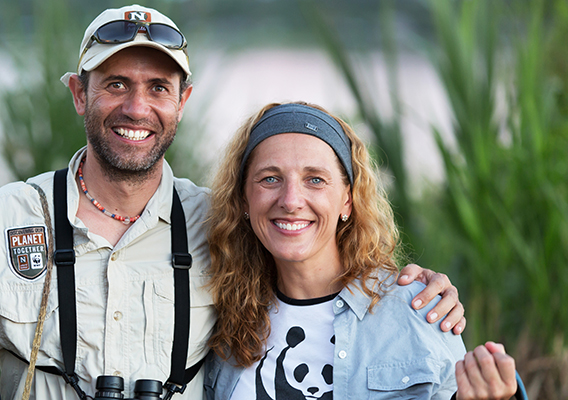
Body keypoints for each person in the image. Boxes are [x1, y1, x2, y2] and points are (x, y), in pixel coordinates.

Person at [0, 5, 466, 400]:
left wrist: (415, 291)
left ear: (182, 101)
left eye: (159, 87)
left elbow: (311, 261)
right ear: (80, 95)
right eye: (116, 84)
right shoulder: (12, 218)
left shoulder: (212, 223)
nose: (137, 108)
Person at [203, 102, 518, 399]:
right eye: (269, 179)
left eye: (315, 180)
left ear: (347, 201)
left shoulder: (419, 310)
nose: (291, 200)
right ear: (244, 199)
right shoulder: (221, 317)